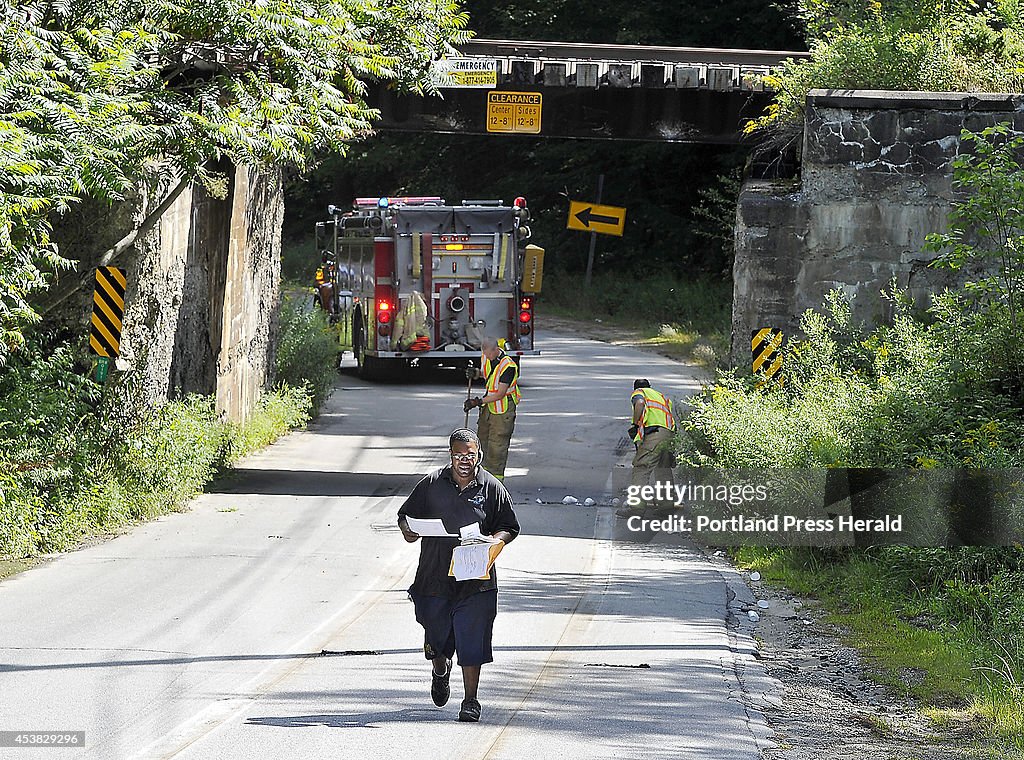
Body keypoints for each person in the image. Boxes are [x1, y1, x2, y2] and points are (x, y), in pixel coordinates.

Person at [397, 428, 520, 723]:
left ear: (478, 455)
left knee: (472, 636)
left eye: (470, 454)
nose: (464, 460)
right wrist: (408, 530)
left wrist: (496, 541)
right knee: (436, 636)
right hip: (434, 577)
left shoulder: (491, 488)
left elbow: (509, 525)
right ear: (450, 455)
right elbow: (405, 516)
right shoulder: (432, 483)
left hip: (476, 579)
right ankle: (440, 668)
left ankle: (471, 700)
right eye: (458, 455)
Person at [616, 379, 678, 517]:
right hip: (669, 434)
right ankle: (667, 507)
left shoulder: (639, 393)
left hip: (654, 434)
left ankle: (636, 509)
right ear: (650, 386)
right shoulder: (662, 397)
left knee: (641, 468)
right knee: (663, 469)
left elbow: (640, 403)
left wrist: (635, 424)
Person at [463, 337, 520, 480]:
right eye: (484, 353)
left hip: (503, 409)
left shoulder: (508, 366)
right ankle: (482, 476)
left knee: (497, 445)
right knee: (482, 441)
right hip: (489, 407)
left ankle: (496, 480)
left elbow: (500, 393)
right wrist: (475, 373)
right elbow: (488, 374)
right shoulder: (487, 357)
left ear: (495, 349)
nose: (486, 356)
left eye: (488, 353)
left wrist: (477, 402)